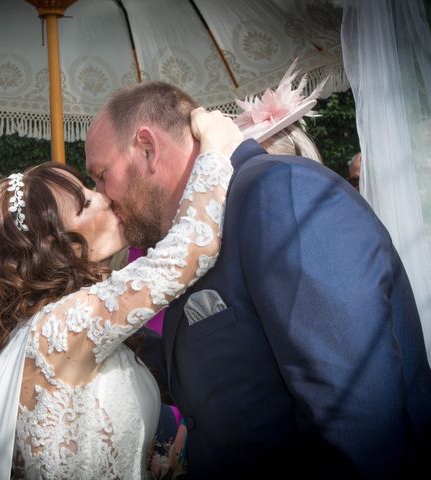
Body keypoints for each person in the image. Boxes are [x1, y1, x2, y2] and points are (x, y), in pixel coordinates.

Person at [85, 73, 431, 477]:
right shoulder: (194, 235)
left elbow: (359, 417)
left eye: (100, 175)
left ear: (147, 148)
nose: (102, 196)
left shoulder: (280, 192)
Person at [0, 108, 241, 479]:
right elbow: (191, 248)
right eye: (85, 200)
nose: (106, 196)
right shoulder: (59, 326)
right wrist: (215, 149)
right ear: (56, 248)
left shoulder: (53, 322)